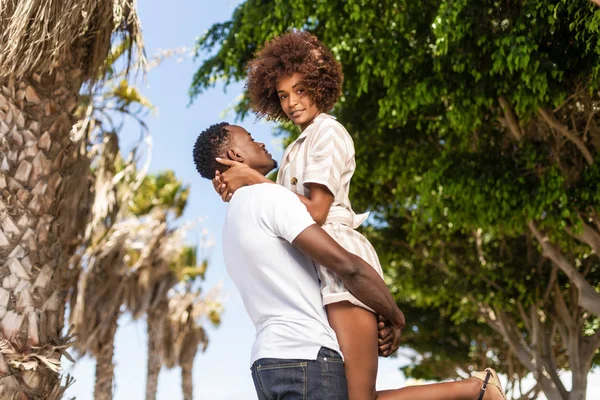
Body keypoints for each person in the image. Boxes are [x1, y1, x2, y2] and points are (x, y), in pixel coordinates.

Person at [194, 122, 506, 400]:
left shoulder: (232, 221)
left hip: (265, 366)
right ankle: (476, 390)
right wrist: (395, 316)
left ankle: (476, 390)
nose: (260, 143)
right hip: (307, 359)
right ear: (234, 155)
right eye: (250, 138)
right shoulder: (270, 197)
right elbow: (349, 266)